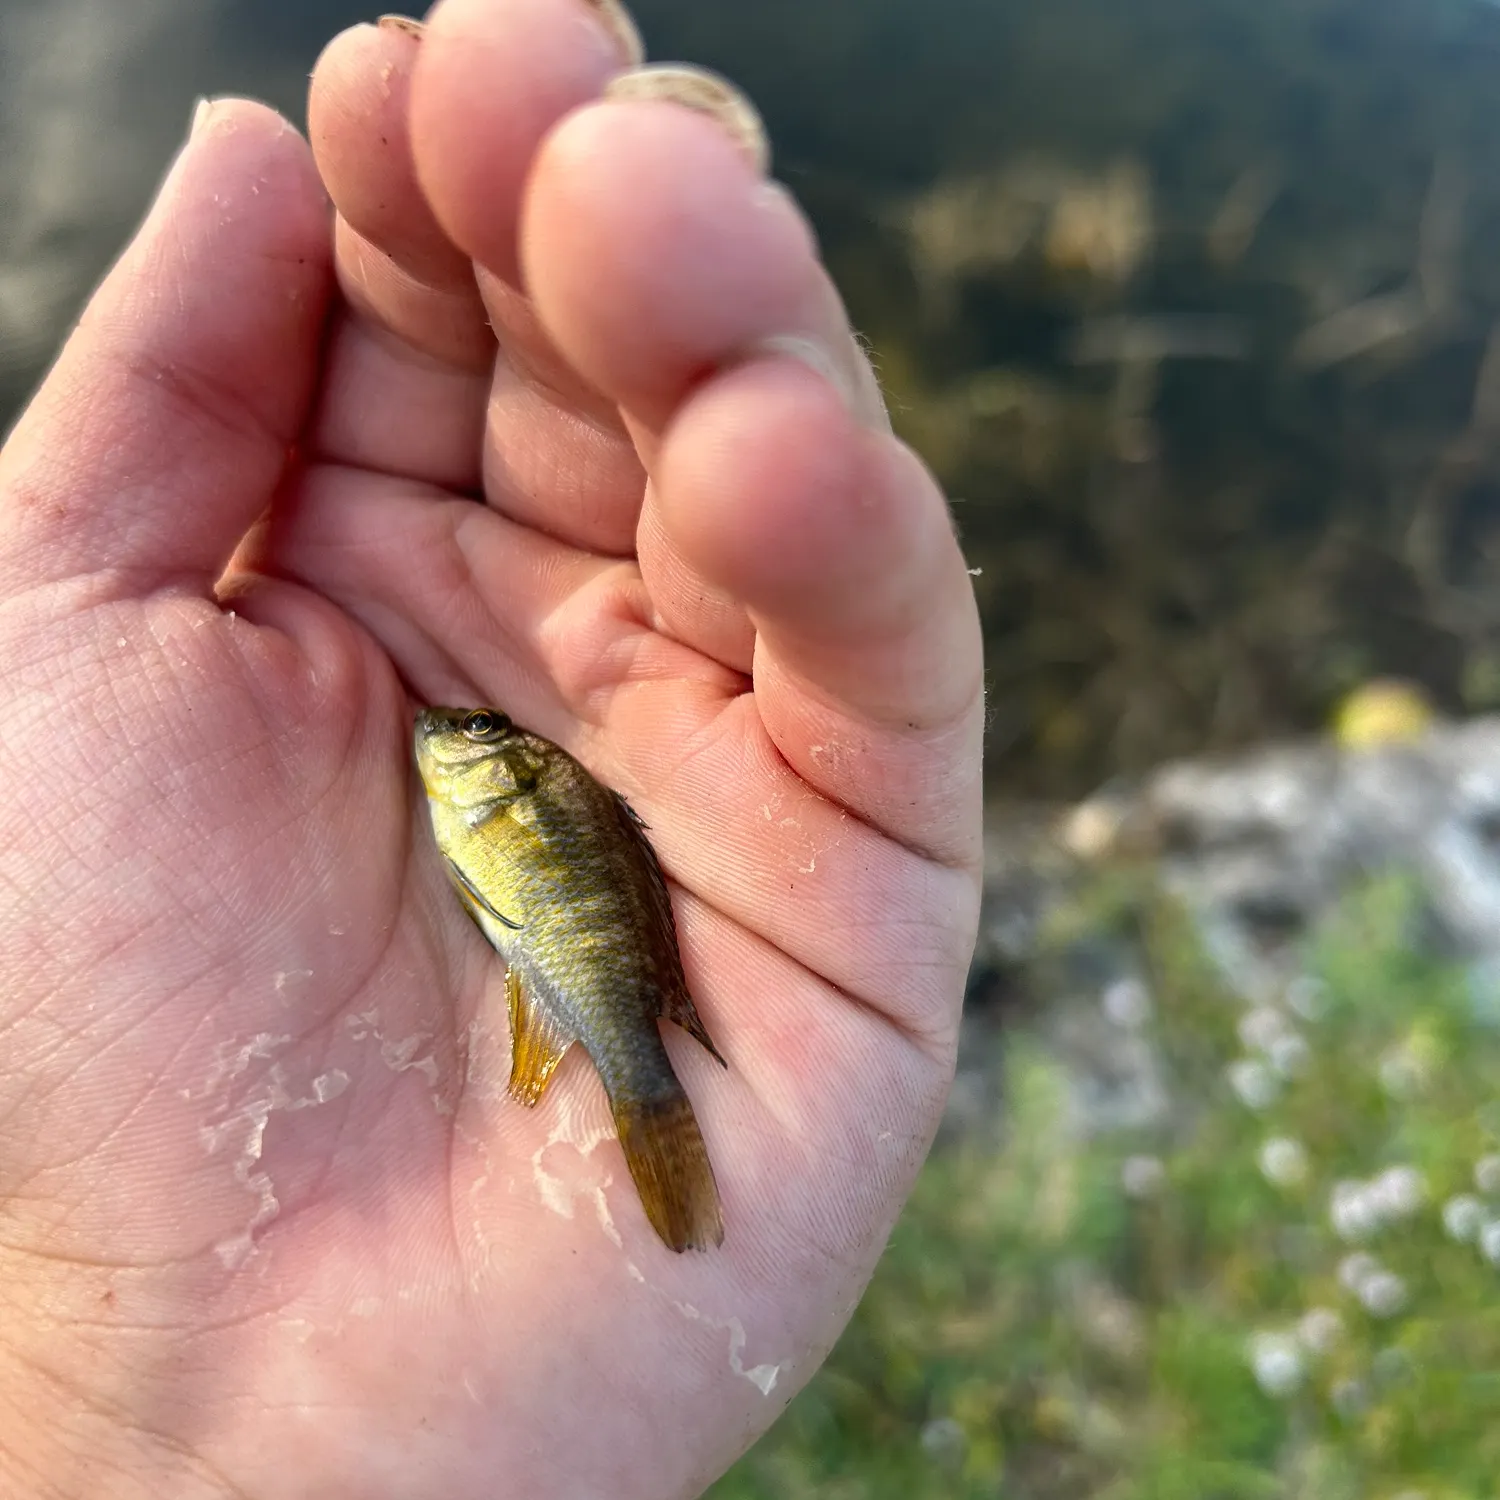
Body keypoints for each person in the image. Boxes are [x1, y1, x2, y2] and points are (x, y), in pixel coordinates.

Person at [0, 0, 982, 1493]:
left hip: (557, 977)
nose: (451, 741)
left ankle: (639, 1098)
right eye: (474, 734)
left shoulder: (486, 783)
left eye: (474, 735)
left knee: (753, 463)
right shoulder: (489, 784)